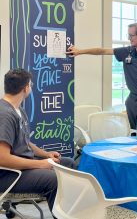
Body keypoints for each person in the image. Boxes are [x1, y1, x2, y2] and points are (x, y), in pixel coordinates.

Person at [0, 69, 75, 213]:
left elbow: (25, 142)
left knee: (68, 163)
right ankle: (61, 215)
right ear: (26, 88)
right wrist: (40, 164)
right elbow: (2, 158)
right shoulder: (5, 115)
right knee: (54, 179)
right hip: (10, 174)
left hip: (23, 165)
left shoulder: (18, 110)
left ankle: (70, 212)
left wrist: (46, 155)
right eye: (31, 84)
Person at [67, 23, 137, 129]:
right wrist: (80, 52)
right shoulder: (127, 51)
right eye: (128, 35)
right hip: (132, 102)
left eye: (131, 35)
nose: (129, 38)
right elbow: (102, 51)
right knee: (133, 137)